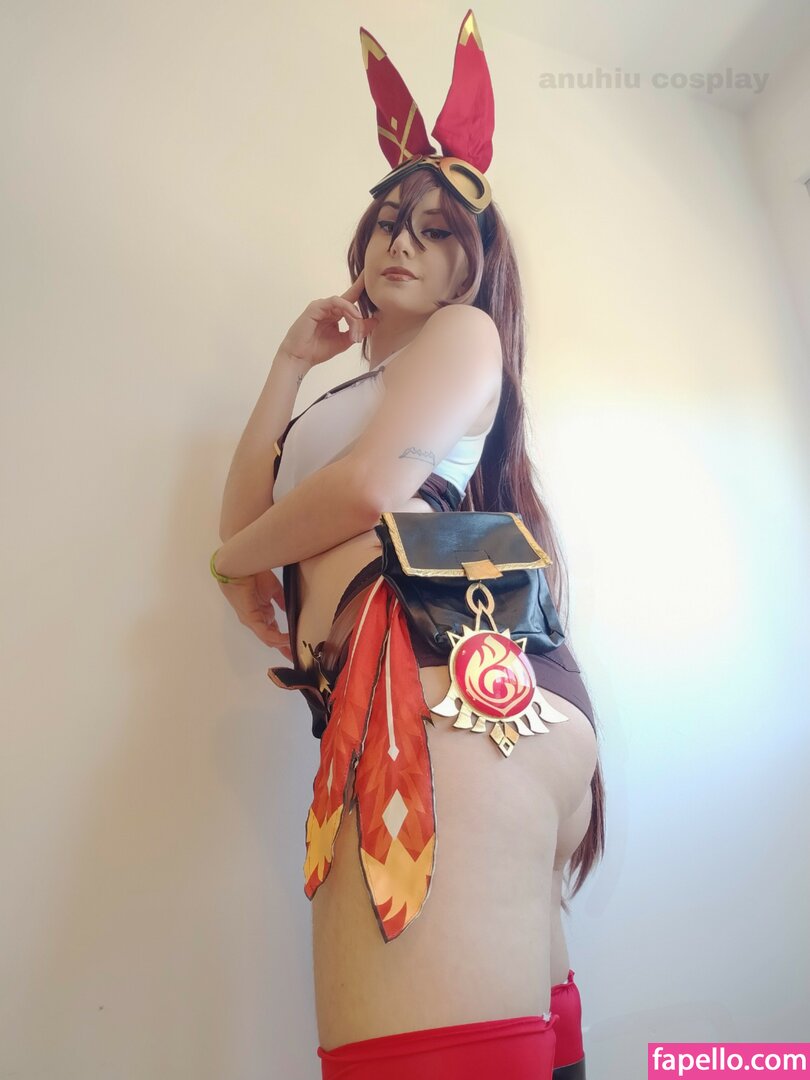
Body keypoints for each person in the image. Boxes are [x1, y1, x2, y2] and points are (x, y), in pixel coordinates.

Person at [212, 10, 605, 1079]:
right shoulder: (353, 396)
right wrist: (291, 363)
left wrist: (232, 565)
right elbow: (246, 519)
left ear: (473, 267)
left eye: (436, 230)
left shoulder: (464, 337)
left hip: (437, 698)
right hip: (443, 707)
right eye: (389, 222)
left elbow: (368, 492)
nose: (402, 241)